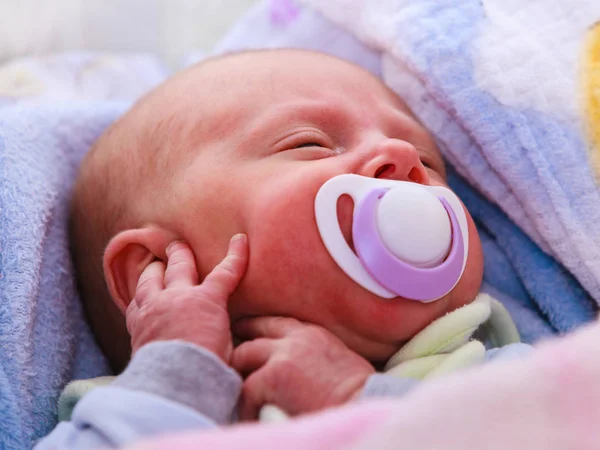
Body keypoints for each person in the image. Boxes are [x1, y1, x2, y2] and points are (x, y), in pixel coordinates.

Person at [36, 49, 530, 449]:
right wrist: (177, 375)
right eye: (308, 143)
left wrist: (361, 400)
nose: (402, 158)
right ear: (160, 268)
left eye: (427, 159)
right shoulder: (122, 417)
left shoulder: (494, 381)